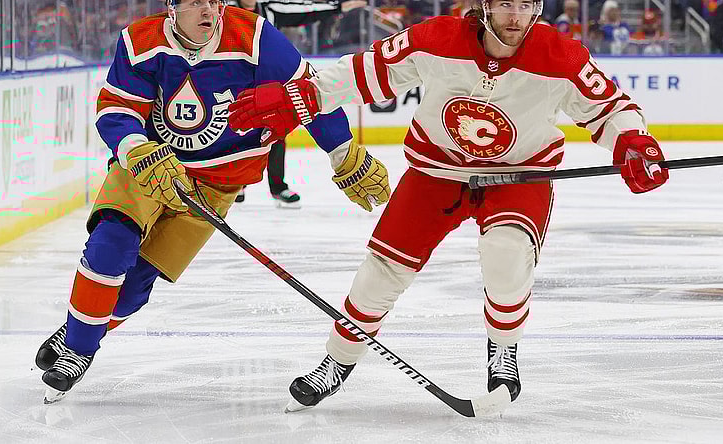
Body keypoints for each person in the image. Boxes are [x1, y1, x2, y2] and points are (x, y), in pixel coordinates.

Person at [227, 0, 668, 411]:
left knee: (508, 255)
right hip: (435, 173)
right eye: (505, 4)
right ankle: (337, 360)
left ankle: (503, 348)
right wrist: (301, 95)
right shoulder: (436, 39)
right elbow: (364, 73)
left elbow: (611, 109)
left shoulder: (562, 57)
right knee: (380, 273)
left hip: (516, 178)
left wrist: (632, 140)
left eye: (526, 5)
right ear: (486, 5)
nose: (515, 17)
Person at [33, 0, 390, 403]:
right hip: (151, 166)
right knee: (110, 243)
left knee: (134, 288)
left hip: (216, 185)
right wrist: (135, 148)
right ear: (171, 8)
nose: (209, 9)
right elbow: (117, 108)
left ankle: (80, 327)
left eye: (214, 1)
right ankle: (79, 350)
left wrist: (342, 153)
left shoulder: (255, 39)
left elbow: (307, 95)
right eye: (195, 2)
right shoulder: (139, 42)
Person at [231, 0, 367, 208]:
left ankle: (277, 187)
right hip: (232, 81)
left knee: (276, 131)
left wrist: (338, 7)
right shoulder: (222, 9)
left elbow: (305, 10)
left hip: (265, 82)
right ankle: (236, 184)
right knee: (234, 132)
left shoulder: (270, 10)